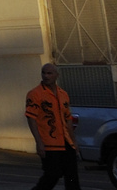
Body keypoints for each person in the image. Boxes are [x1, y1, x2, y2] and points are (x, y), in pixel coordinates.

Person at [27, 62, 80, 190]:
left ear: (56, 75)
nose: (46, 76)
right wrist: (39, 142)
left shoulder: (63, 94)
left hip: (66, 142)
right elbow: (31, 118)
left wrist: (74, 142)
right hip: (49, 143)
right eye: (44, 73)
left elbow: (67, 119)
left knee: (72, 174)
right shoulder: (35, 94)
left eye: (49, 73)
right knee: (52, 174)